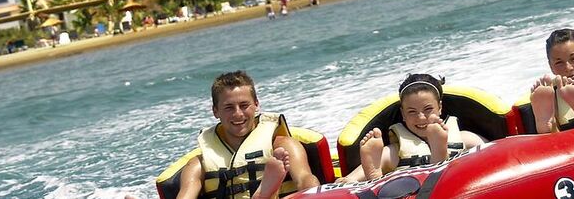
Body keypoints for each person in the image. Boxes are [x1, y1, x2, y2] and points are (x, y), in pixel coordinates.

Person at [177, 71, 319, 199]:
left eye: (244, 105)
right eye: (229, 107)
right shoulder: (198, 164)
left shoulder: (283, 146)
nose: (238, 114)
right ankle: (263, 195)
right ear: (215, 111)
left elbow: (305, 179)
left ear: (256, 105)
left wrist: (315, 194)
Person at [340, 74, 487, 182]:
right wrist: (347, 180)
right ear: (403, 114)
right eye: (412, 112)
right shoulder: (393, 153)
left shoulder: (465, 138)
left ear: (440, 107)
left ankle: (439, 160)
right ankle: (376, 180)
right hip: (412, 194)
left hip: (457, 188)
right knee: (382, 166)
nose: (421, 117)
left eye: (428, 109)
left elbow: (496, 152)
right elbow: (345, 182)